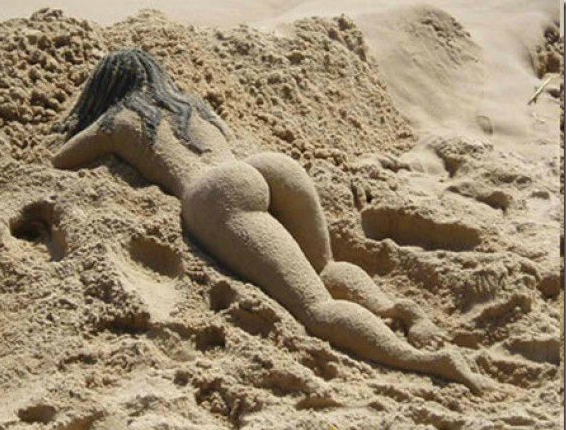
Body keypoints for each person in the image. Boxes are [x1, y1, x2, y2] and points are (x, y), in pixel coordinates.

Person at [53, 49, 489, 393]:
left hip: (215, 192)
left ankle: (427, 361)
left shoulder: (118, 121)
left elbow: (61, 160)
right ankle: (400, 311)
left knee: (315, 308)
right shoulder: (192, 107)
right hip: (266, 166)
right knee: (325, 267)